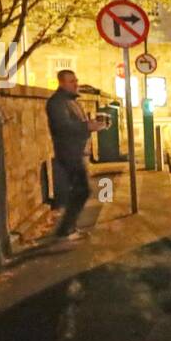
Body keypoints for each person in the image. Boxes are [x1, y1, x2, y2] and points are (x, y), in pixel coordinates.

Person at [46, 70, 107, 241]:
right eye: (71, 81)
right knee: (82, 190)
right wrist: (87, 127)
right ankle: (65, 229)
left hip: (77, 151)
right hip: (68, 152)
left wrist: (91, 125)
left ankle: (67, 228)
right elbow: (62, 127)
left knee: (80, 191)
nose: (76, 84)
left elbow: (77, 124)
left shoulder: (71, 101)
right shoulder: (57, 102)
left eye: (76, 80)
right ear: (61, 83)